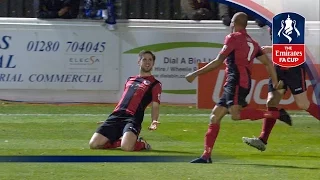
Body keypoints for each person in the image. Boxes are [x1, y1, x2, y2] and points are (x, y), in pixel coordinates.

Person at [185, 12, 292, 163]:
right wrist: (275, 82)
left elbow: (218, 61)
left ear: (233, 23)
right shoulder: (252, 43)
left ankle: (275, 115)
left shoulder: (233, 38)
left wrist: (195, 74)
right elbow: (268, 63)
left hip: (236, 81)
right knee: (215, 116)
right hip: (239, 81)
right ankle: (206, 155)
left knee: (235, 114)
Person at [242, 29, 320, 152]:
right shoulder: (273, 24)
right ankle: (262, 140)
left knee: (303, 104)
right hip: (278, 67)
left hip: (294, 68)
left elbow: (297, 48)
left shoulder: (293, 23)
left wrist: (271, 49)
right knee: (271, 102)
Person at [89, 50, 162, 151]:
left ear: (153, 63)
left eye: (150, 60)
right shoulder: (130, 79)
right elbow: (124, 100)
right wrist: (111, 116)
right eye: (144, 59)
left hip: (133, 118)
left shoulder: (155, 84)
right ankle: (119, 140)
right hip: (116, 116)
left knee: (127, 147)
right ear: (139, 62)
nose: (147, 62)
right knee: (94, 144)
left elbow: (155, 105)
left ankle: (142, 144)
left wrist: (154, 120)